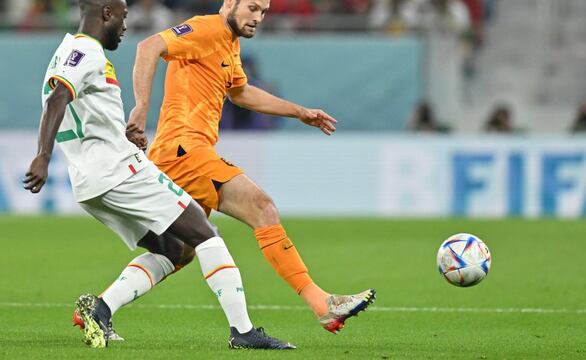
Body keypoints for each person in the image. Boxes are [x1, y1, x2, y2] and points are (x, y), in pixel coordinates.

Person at [23, 0, 293, 350]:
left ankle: (101, 309)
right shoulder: (86, 52)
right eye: (122, 16)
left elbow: (76, 107)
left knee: (177, 250)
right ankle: (242, 332)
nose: (124, 24)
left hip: (90, 183)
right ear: (106, 13)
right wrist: (42, 156)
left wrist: (122, 132)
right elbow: (59, 98)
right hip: (121, 172)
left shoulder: (65, 52)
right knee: (206, 234)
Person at [125, 0, 375, 334]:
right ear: (230, 3)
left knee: (180, 251)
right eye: (252, 8)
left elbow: (240, 92)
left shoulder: (229, 42)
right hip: (184, 150)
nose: (258, 18)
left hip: (180, 153)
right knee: (262, 206)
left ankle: (100, 307)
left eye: (264, 12)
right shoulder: (206, 28)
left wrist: (299, 112)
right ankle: (321, 303)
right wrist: (141, 107)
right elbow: (149, 45)